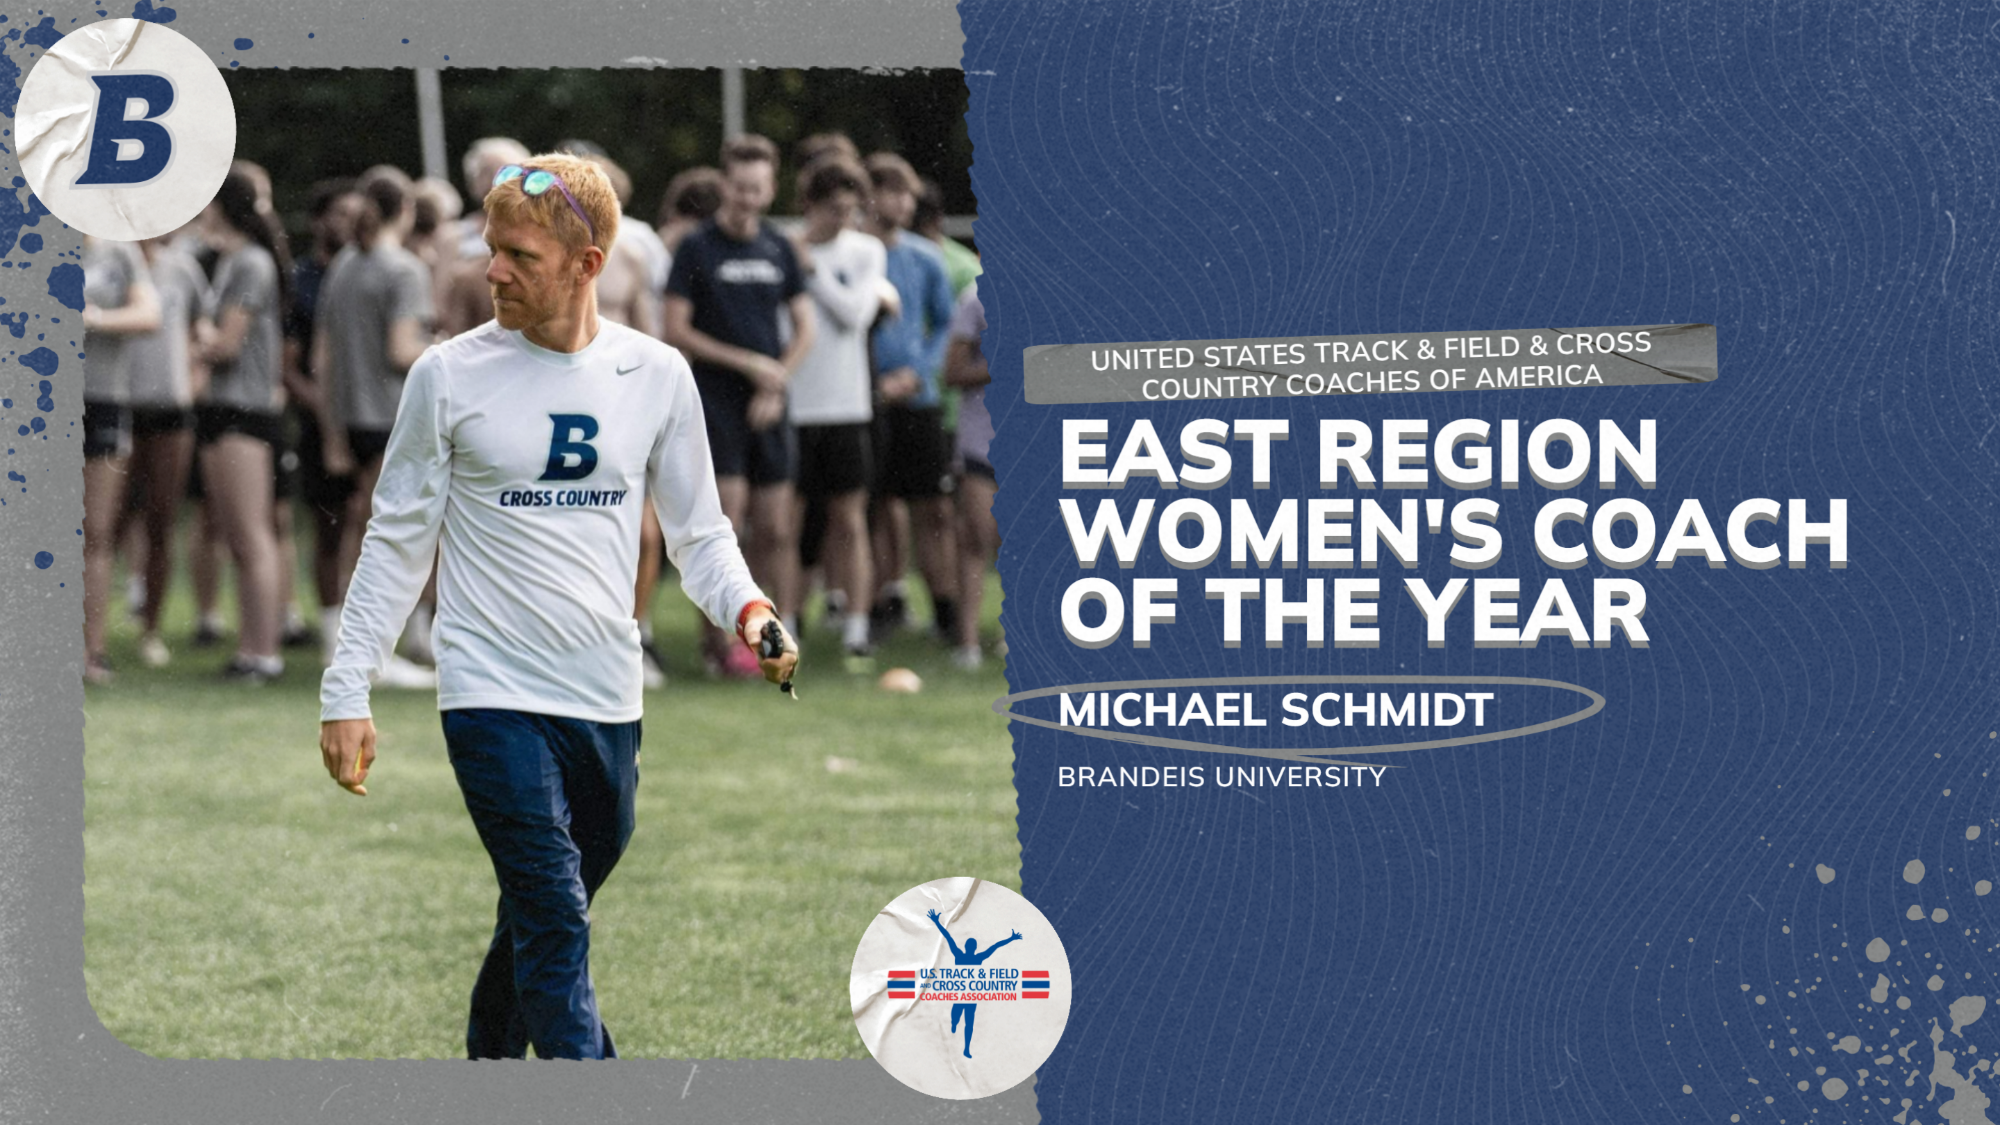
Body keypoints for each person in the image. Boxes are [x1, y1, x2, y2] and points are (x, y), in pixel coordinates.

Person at [318, 153, 798, 1061]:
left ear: (587, 265)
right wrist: (348, 688)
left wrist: (749, 611)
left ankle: (490, 1065)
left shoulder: (655, 375)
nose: (491, 270)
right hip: (488, 691)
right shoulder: (447, 375)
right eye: (493, 249)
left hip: (607, 693)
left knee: (545, 915)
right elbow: (395, 540)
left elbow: (700, 533)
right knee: (553, 909)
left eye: (519, 256)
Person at [663, 135, 816, 672]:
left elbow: (805, 327)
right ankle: (719, 648)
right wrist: (748, 365)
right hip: (717, 405)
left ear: (771, 188)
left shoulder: (778, 246)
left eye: (758, 188)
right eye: (740, 187)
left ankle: (780, 639)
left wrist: (775, 382)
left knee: (777, 528)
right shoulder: (697, 248)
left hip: (769, 406)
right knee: (724, 528)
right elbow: (675, 328)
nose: (749, 198)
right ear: (725, 184)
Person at [316, 167, 439, 686]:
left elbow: (324, 359)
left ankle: (357, 643)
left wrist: (332, 432)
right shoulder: (404, 270)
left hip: (352, 418)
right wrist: (451, 347)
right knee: (396, 538)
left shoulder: (343, 264)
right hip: (393, 417)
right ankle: (375, 653)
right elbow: (400, 350)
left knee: (360, 532)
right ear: (406, 210)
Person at [785, 155, 892, 662]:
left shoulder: (867, 250)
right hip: (795, 406)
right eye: (832, 210)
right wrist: (799, 261)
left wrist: (814, 272)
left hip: (848, 407)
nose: (842, 220)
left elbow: (855, 314)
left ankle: (855, 628)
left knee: (850, 521)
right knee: (786, 524)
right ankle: (784, 626)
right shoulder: (783, 246)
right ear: (809, 205)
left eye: (850, 210)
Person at [192, 171, 290, 683]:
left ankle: (265, 652)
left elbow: (226, 344)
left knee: (253, 537)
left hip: (245, 413)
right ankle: (249, 649)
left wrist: (196, 336)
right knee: (236, 537)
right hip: (219, 412)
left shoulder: (250, 261)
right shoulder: (229, 262)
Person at [862, 153, 959, 644]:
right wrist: (873, 384)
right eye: (894, 192)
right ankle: (880, 602)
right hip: (867, 402)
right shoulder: (855, 254)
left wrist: (920, 372)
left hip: (920, 402)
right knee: (877, 507)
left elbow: (946, 323)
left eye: (909, 194)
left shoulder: (925, 257)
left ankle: (945, 606)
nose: (903, 203)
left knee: (934, 509)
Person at [122, 235, 207, 668]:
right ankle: (88, 635)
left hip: (170, 414)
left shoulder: (183, 269)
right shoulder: (110, 261)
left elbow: (200, 335)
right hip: (118, 406)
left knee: (162, 521)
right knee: (107, 524)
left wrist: (189, 386)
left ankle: (150, 630)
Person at [80, 238, 162, 684]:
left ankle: (93, 652)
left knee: (97, 532)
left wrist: (94, 318)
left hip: (104, 401)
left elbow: (149, 315)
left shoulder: (118, 252)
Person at [944, 282, 998, 671]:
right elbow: (952, 371)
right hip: (982, 442)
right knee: (977, 537)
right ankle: (968, 644)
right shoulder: (977, 299)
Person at [925, 907, 1022, 1059]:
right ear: (973, 948)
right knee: (960, 1018)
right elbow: (994, 947)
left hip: (968, 994)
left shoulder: (963, 955)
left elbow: (948, 937)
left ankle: (966, 1048)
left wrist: (937, 922)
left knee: (967, 1021)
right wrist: (1011, 938)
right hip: (965, 994)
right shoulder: (976, 958)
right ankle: (955, 1029)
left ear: (969, 947)